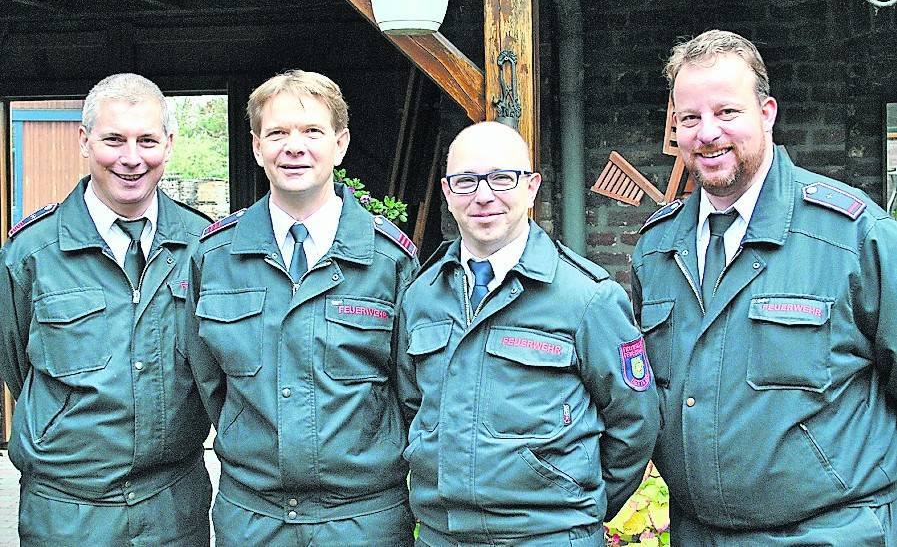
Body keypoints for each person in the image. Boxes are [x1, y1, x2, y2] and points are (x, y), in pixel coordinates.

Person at [632, 29, 897, 545]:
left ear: (767, 113)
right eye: (690, 118)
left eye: (726, 112)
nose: (707, 133)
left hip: (831, 532)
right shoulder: (656, 250)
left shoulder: (854, 237)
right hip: (697, 534)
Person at [395, 121, 659, 546]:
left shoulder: (587, 298)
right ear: (446, 192)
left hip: (549, 535)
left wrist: (578, 508)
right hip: (444, 536)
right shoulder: (422, 296)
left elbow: (634, 420)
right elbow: (413, 406)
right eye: (465, 181)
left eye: (502, 178)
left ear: (531, 187)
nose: (483, 195)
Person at [186, 69, 419, 546]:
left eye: (312, 131)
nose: (294, 147)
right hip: (253, 518)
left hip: (363, 519)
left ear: (340, 144)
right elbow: (208, 381)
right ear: (257, 147)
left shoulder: (388, 259)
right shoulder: (215, 258)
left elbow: (411, 389)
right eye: (277, 133)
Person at [0, 73, 212, 545]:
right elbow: (16, 364)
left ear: (169, 144)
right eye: (114, 139)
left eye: (147, 141)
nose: (131, 158)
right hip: (66, 514)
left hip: (173, 509)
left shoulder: (203, 247)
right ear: (84, 140)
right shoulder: (32, 253)